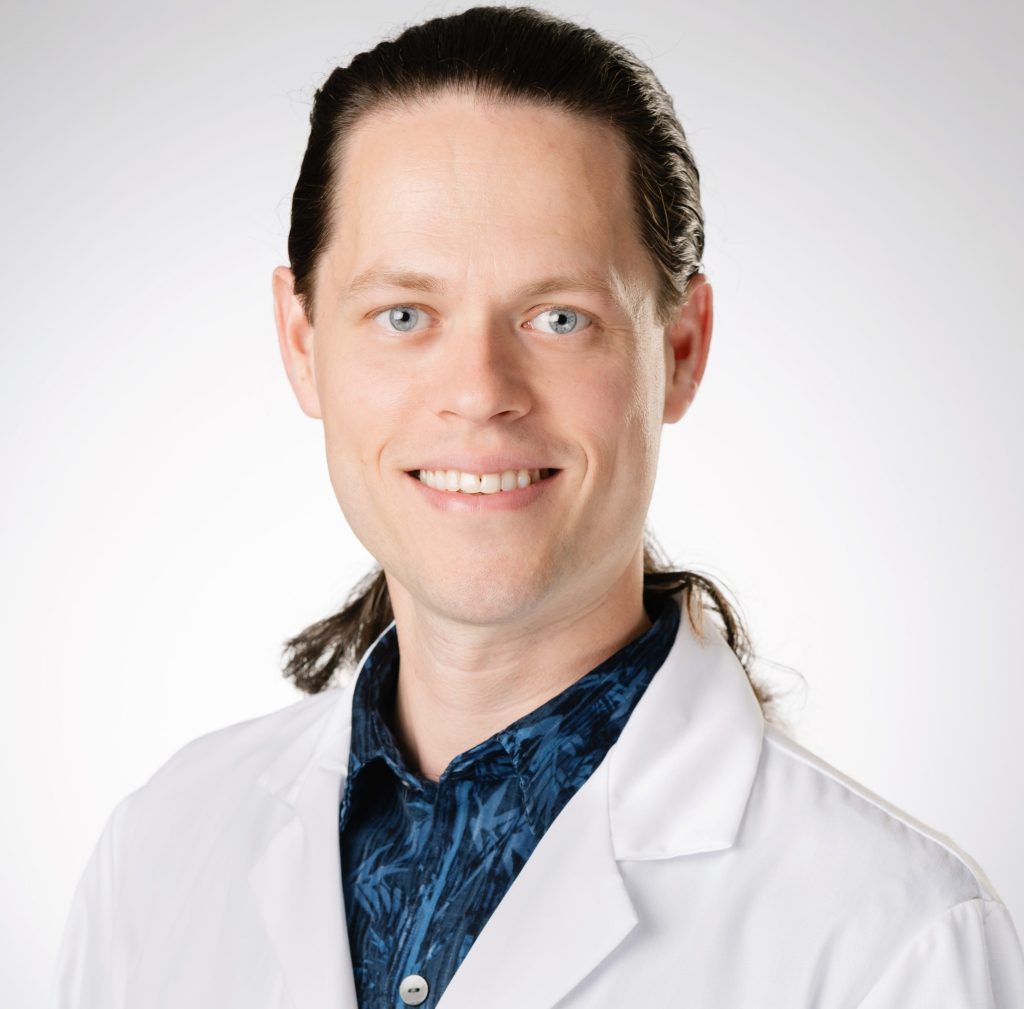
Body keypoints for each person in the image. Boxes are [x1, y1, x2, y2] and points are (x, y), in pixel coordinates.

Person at [51, 6, 1024, 1008]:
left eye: (558, 317)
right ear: (302, 343)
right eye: (403, 314)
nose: (479, 391)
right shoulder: (159, 854)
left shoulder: (893, 940)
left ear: (681, 348)